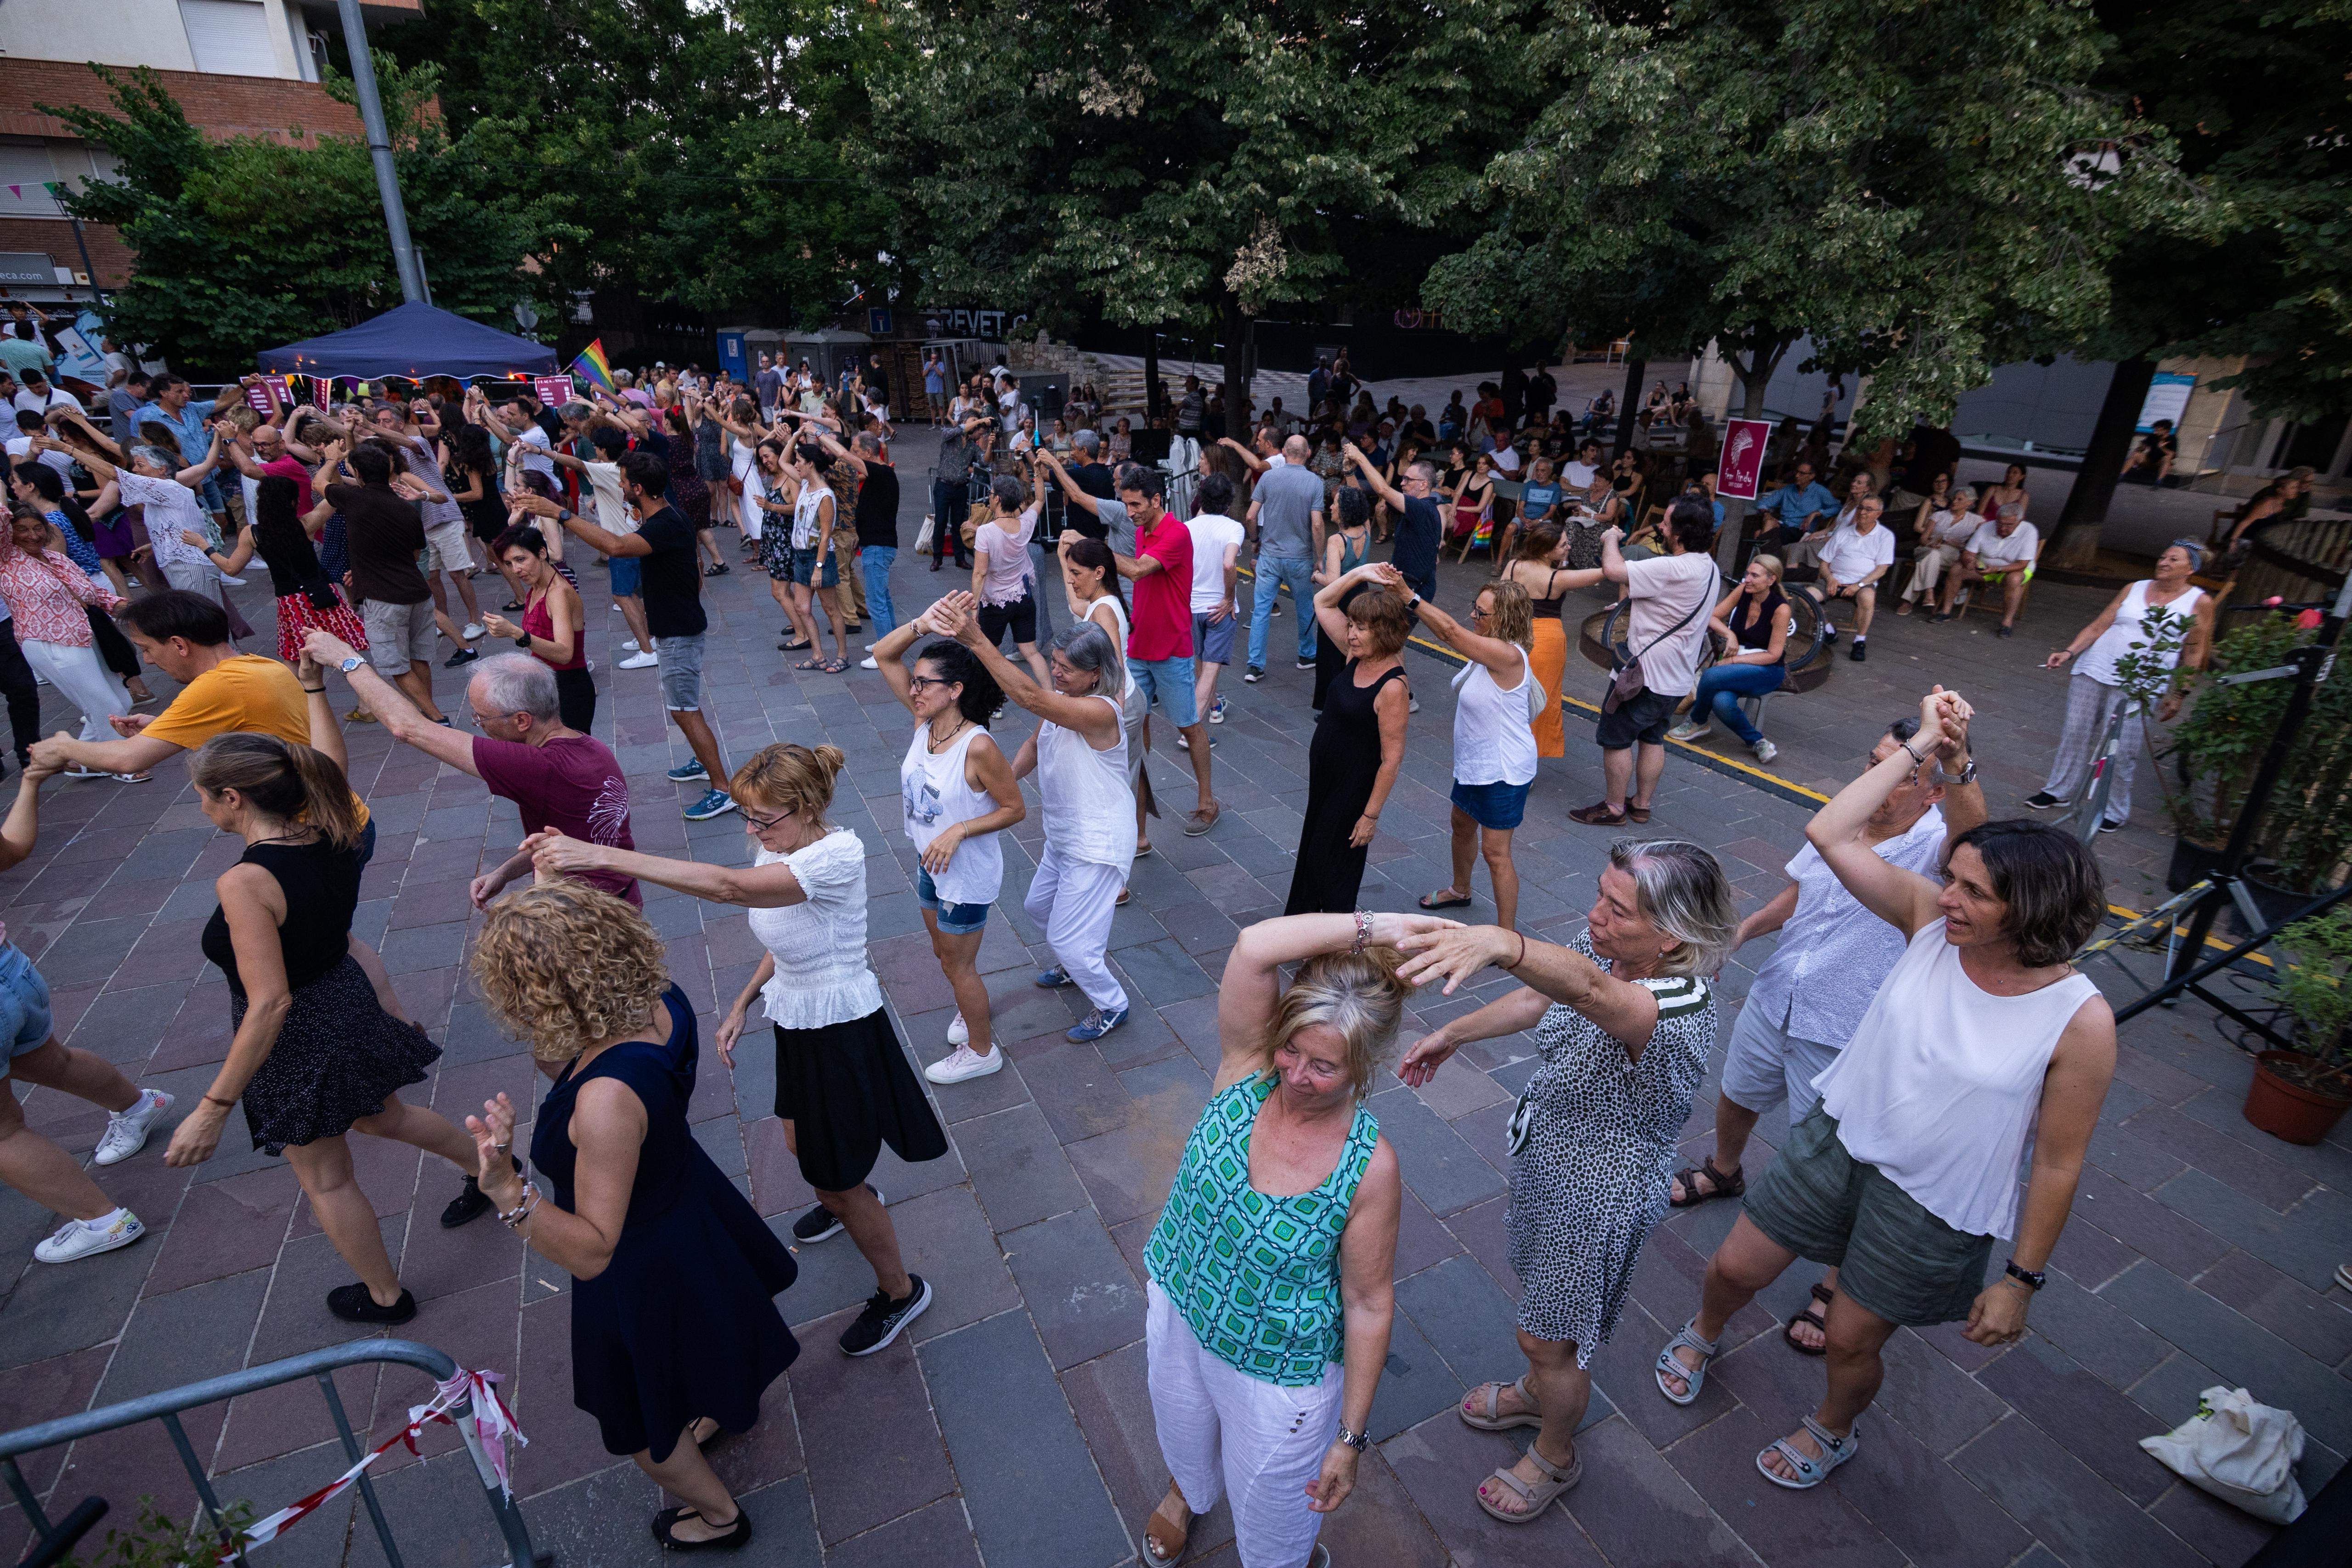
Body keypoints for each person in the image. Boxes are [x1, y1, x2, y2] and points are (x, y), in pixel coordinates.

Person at [1657, 693, 2115, 1495]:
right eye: (1953, 880)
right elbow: (1829, 833)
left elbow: (2057, 1161)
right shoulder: (1926, 921)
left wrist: (2020, 1279)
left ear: (2033, 910)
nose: (1949, 895)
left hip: (1935, 1201)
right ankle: (1704, 1329)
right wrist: (1927, 744)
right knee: (1733, 1265)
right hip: (1838, 1139)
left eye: (1974, 891)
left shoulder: (2080, 1019)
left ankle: (1833, 1425)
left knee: (1850, 1339)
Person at [527, 742, 946, 1357]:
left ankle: (899, 1288)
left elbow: (727, 889)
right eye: (748, 817)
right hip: (797, 1020)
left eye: (762, 819)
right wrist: (744, 1001)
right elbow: (789, 937)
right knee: (798, 1141)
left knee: (833, 1178)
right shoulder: (782, 844)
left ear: (808, 808)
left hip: (841, 1032)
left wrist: (598, 854)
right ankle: (845, 1193)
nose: (751, 830)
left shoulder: (838, 855)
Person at [1395, 840, 1735, 1522]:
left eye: (1617, 908)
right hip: (1551, 1156)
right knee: (1541, 1311)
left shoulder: (1675, 1005)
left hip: (1598, 1194)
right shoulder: (1611, 948)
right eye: (1599, 895)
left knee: (1549, 1338)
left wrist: (1502, 941)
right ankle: (1536, 1391)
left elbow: (1587, 991)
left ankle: (1555, 1453)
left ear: (1670, 937)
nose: (1595, 916)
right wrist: (1454, 1033)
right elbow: (1539, 996)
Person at [463, 882, 797, 1548]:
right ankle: (712, 1409)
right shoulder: (662, 998)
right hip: (687, 1202)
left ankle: (721, 1517)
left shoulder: (606, 1099)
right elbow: (572, 1065)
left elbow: (593, 1248)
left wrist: (507, 1190)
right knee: (702, 1345)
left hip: (643, 1262)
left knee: (640, 1422)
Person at [1667, 712, 1984, 1355]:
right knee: (1739, 1090)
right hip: (1780, 991)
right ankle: (1725, 1171)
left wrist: (1955, 755)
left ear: (1933, 790)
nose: (1879, 776)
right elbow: (1801, 889)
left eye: (1901, 770)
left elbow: (1976, 835)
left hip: (1846, 1025)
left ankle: (1834, 1280)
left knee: (1837, 1157)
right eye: (1873, 761)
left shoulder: (1936, 849)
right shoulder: (1849, 816)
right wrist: (1742, 932)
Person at [164, 733, 491, 1323]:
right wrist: (390, 1006)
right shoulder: (332, 837)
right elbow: (346, 940)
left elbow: (270, 1003)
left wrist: (213, 1108)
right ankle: (493, 1172)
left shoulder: (245, 883)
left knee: (327, 1180)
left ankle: (385, 1298)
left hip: (294, 1039)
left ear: (233, 797)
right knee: (387, 1117)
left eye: (202, 796)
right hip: (345, 1000)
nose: (202, 806)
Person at [1139, 913, 1414, 1568]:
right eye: (1292, 1048)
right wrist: (1382, 926)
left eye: (1323, 1065)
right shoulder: (1247, 1069)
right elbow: (1254, 946)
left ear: (1363, 1065)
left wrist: (1349, 1439)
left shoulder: (1368, 1168)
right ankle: (1187, 1490)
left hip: (1276, 1370)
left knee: (1274, 1517)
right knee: (1181, 1425)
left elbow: (1369, 1303)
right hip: (1182, 1309)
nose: (1294, 1074)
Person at [0, 748, 175, 1264]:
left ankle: (103, 1221)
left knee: (4, 1132)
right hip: (11, 971)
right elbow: (12, 849)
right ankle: (139, 1106)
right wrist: (30, 783)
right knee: (49, 1061)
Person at [943, 601, 1139, 1042]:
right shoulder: (1066, 703)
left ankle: (1112, 1003)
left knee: (1070, 939)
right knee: (1038, 908)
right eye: (1054, 663)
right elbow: (1035, 743)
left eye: (1066, 668)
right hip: (1065, 836)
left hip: (1098, 842)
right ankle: (1076, 964)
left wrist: (977, 640)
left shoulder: (1101, 711)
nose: (1056, 672)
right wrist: (1001, 786)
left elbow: (1030, 698)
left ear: (1095, 674)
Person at [521, 453, 735, 818]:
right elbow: (696, 566)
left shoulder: (663, 525)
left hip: (679, 633)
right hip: (678, 626)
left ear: (638, 488)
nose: (619, 486)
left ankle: (722, 789)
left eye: (623, 481)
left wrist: (561, 514)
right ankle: (702, 762)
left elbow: (616, 547)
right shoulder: (669, 516)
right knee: (682, 708)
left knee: (685, 711)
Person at [871, 611, 1025, 1083]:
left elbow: (1014, 808)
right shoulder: (926, 723)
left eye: (924, 683)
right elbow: (883, 655)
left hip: (965, 875)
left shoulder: (977, 747)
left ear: (955, 689)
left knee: (959, 967)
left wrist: (959, 830)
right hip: (930, 863)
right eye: (914, 681)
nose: (914, 689)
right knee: (946, 956)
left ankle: (981, 1051)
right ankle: (968, 1007)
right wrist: (921, 623)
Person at [2026, 541, 2214, 831]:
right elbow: (2098, 626)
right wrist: (2069, 652)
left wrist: (2179, 693)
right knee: (2075, 732)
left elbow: (2194, 652)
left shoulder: (2199, 602)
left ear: (2191, 569)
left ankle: (2113, 809)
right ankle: (2058, 791)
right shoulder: (2134, 588)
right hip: (2095, 668)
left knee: (2122, 747)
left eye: (2173, 560)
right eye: (2163, 556)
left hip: (2142, 683)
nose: (2163, 562)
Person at [1571, 501, 1719, 827]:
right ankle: (1641, 804)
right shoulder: (1709, 567)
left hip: (1644, 677)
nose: (1660, 529)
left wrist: (1611, 538)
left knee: (1616, 738)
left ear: (1680, 534)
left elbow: (1613, 571)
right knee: (1653, 737)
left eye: (1666, 524)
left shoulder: (1672, 568)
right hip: (1677, 678)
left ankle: (1614, 808)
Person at [1096, 466, 1220, 835]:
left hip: (1172, 649)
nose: (1130, 512)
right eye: (1125, 504)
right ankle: (1138, 814)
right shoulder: (1141, 532)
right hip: (1139, 646)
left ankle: (1207, 802)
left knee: (1189, 725)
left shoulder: (1177, 533)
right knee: (1135, 726)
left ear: (1156, 500)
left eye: (1136, 505)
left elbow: (1137, 571)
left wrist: (1097, 551)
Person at [1412, 579, 1540, 931]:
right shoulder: (1486, 648)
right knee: (1461, 825)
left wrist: (1408, 597)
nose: (1472, 616)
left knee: (1496, 854)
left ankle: (1507, 937)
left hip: (1503, 771)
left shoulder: (1507, 656)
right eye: (1475, 606)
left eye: (1481, 613)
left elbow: (1449, 632)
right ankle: (1460, 890)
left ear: (1504, 619)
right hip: (1475, 765)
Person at [1285, 564, 1410, 915]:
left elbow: (1392, 759)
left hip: (1351, 789)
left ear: (1384, 632)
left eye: (1361, 628)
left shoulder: (1393, 686)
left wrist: (1370, 816)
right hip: (1326, 780)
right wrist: (1361, 573)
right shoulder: (1355, 654)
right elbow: (1323, 602)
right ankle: (1305, 925)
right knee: (1314, 853)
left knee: (1335, 866)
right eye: (1351, 625)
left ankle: (1334, 934)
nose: (1352, 634)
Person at [300, 438, 447, 723]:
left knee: (396, 667)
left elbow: (318, 484)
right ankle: (429, 714)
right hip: (417, 592)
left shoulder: (355, 498)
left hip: (385, 598)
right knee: (419, 658)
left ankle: (436, 717)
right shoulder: (406, 507)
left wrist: (331, 459)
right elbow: (415, 554)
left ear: (357, 473)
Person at [192, 474, 369, 669]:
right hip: (321, 594)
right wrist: (330, 462)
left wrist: (204, 545)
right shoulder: (306, 524)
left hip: (290, 602)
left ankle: (298, 688)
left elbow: (231, 568)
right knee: (343, 648)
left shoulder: (252, 533)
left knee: (297, 655)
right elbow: (335, 493)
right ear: (293, 502)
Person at [0, 503, 130, 752]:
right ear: (9, 533)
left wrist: (130, 608)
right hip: (48, 641)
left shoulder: (57, 558)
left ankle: (81, 761)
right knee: (106, 707)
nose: (33, 535)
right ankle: (121, 761)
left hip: (85, 635)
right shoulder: (7, 560)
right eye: (22, 529)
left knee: (122, 701)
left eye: (38, 528)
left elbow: (94, 594)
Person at [1668, 554, 1793, 762]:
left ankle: (1697, 721)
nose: (1748, 579)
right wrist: (1730, 635)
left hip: (1767, 670)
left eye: (1755, 576)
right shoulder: (1743, 591)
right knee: (1722, 702)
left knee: (1712, 675)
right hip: (1738, 665)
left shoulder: (1781, 609)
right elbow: (1711, 616)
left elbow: (1774, 655)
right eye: (1747, 574)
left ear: (1771, 580)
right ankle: (1758, 741)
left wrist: (1733, 661)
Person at [477, 524, 594, 731]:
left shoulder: (557, 593)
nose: (516, 570)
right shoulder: (538, 582)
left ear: (542, 553)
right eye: (509, 563)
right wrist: (513, 522)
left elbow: (565, 653)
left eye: (521, 560)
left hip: (568, 692)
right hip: (546, 688)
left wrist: (515, 633)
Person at [1243, 436, 1326, 683]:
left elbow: (1251, 516)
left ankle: (1255, 666)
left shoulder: (1268, 478)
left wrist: (1255, 540)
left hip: (1269, 556)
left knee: (1261, 611)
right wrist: (1319, 557)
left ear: (1284, 453)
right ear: (1308, 454)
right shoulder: (1315, 482)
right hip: (1300, 557)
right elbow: (1317, 524)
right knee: (1305, 607)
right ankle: (1307, 655)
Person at [1497, 523, 1576, 759]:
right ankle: (1528, 757)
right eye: (1563, 545)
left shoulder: (1513, 566)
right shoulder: (1557, 578)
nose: (1568, 548)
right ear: (1546, 551)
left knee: (1505, 697)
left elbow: (1498, 600)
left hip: (1510, 637)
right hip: (1546, 643)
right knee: (1540, 701)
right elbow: (1607, 573)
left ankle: (1503, 750)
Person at [969, 469, 1051, 687]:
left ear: (997, 499)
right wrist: (1038, 473)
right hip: (1023, 598)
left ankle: (989, 699)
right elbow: (1040, 499)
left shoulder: (986, 532)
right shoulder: (1025, 524)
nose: (989, 497)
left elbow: (980, 573)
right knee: (1031, 652)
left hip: (995, 603)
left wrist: (974, 607)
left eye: (991, 494)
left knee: (990, 653)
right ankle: (1052, 694)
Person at [1340, 441, 1441, 606]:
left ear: (1424, 484)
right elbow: (1358, 502)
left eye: (1408, 480)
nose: (1402, 483)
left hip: (1412, 589)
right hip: (1402, 584)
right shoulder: (1413, 508)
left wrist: (1359, 457)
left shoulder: (1422, 508)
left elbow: (1383, 490)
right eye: (1403, 478)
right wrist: (1350, 472)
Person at [1185, 473, 1245, 733]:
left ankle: (1214, 706)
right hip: (1219, 610)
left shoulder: (1187, 528)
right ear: (1229, 503)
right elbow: (1229, 564)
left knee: (1200, 666)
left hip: (1192, 608)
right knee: (1210, 671)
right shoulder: (1233, 528)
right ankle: (1192, 731)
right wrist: (1229, 598)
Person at [1311, 485, 1376, 711]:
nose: (1331, 507)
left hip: (1339, 600)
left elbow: (1333, 580)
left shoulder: (1337, 540)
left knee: (1330, 653)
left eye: (1336, 503)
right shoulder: (1366, 529)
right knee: (1355, 648)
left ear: (1345, 510)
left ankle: (1329, 705)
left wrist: (1316, 576)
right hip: (1361, 594)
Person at [1931, 503, 2038, 636]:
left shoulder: (2029, 531)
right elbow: (1968, 553)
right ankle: (1945, 612)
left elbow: (2022, 564)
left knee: (2014, 579)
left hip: (2014, 569)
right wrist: (1969, 560)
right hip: (1986, 567)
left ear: (2020, 521)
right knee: (1956, 569)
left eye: (2009, 525)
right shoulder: (1986, 527)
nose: (2003, 528)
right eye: (2000, 523)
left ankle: (2007, 623)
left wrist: (1997, 569)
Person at [1813, 495, 1895, 662]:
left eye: (1868, 510)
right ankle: (1828, 630)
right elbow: (1824, 563)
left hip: (1863, 583)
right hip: (1834, 580)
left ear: (1878, 514)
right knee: (1807, 597)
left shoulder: (1885, 536)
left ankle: (1859, 641)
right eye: (1860, 508)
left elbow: (1882, 569)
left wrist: (1859, 585)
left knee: (1868, 597)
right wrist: (1830, 578)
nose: (1862, 512)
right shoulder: (1843, 533)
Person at [1896, 486, 1979, 614]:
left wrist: (1961, 546)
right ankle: (1929, 591)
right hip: (1927, 549)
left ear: (1969, 503)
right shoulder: (1939, 515)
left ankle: (1909, 601)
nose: (1954, 501)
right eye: (1954, 498)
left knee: (1929, 561)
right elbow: (1923, 539)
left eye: (1960, 499)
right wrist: (1931, 543)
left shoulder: (1977, 521)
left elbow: (1980, 543)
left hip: (1952, 555)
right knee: (1933, 555)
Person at [1748, 460, 1837, 552]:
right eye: (1797, 472)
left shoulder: (1820, 491)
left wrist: (1817, 513)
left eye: (1802, 473)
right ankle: (1764, 555)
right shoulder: (1788, 489)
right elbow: (1763, 502)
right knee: (1768, 522)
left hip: (1800, 530)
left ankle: (1761, 553)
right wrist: (1767, 513)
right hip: (1783, 525)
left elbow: (1837, 508)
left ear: (1812, 476)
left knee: (1762, 535)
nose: (1797, 476)